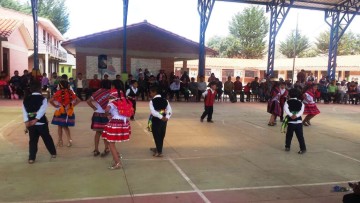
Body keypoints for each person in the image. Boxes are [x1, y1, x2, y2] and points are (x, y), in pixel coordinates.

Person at [22, 80, 57, 164]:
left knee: (33, 140)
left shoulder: (26, 99)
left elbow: (24, 111)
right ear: (40, 88)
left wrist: (26, 121)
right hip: (41, 123)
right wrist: (36, 119)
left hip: (31, 124)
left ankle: (31, 158)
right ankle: (53, 153)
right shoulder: (43, 99)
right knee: (47, 138)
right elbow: (42, 110)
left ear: (30, 89)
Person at [102, 89, 132, 169]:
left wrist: (107, 115)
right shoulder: (126, 101)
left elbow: (106, 110)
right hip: (124, 123)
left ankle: (117, 162)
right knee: (110, 141)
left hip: (115, 123)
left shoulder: (112, 102)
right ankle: (117, 155)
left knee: (110, 142)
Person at [49, 80, 81, 147]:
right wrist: (72, 106)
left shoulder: (58, 93)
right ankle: (69, 140)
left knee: (59, 126)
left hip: (59, 112)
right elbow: (79, 100)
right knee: (65, 127)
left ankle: (60, 141)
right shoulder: (71, 92)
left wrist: (55, 106)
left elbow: (50, 101)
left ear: (60, 86)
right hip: (68, 112)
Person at [86, 87, 111, 157]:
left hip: (97, 114)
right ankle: (106, 148)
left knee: (97, 133)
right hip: (105, 115)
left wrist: (94, 108)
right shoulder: (109, 93)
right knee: (105, 133)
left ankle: (96, 150)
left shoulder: (97, 92)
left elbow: (88, 101)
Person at [149, 86, 172, 157]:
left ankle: (159, 152)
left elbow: (153, 112)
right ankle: (158, 148)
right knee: (161, 134)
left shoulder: (152, 101)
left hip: (156, 120)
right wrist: (167, 117)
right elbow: (169, 110)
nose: (150, 94)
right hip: (164, 120)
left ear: (154, 92)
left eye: (151, 92)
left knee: (156, 135)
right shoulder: (165, 100)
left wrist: (160, 117)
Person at [283, 88, 306, 154]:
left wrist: (291, 115)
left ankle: (287, 146)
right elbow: (302, 111)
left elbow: (286, 110)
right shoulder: (301, 102)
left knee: (289, 135)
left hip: (291, 122)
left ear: (289, 95)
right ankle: (303, 148)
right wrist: (296, 115)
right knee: (300, 136)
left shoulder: (287, 102)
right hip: (299, 122)